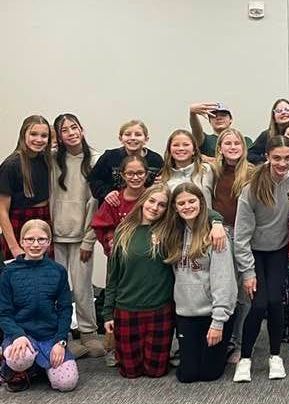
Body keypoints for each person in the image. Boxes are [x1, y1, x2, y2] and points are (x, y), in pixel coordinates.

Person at [233, 135, 289, 382]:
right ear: (267, 156)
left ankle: (275, 356)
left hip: (279, 251)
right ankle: (245, 358)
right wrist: (248, 273)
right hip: (254, 251)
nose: (282, 163)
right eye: (277, 158)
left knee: (275, 302)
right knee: (258, 305)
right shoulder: (252, 189)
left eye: (287, 158)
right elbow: (241, 237)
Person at [161, 183, 237, 383]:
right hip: (186, 313)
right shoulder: (172, 234)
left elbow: (224, 281)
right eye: (181, 203)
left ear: (202, 204)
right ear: (175, 208)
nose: (187, 206)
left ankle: (226, 345)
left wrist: (218, 322)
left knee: (209, 375)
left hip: (213, 313)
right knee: (187, 375)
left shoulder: (216, 236)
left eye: (192, 201)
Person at [102, 185, 175, 379]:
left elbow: (201, 211)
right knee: (130, 372)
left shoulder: (169, 231)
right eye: (151, 201)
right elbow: (113, 276)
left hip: (159, 310)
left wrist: (217, 222)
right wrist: (108, 312)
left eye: (162, 205)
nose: (155, 207)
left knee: (156, 372)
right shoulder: (123, 231)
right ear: (142, 201)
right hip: (127, 309)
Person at [0, 219, 79, 392]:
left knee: (67, 383)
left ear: (49, 242)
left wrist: (61, 341)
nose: (35, 244)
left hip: (50, 336)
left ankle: (40, 367)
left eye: (41, 239)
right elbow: (3, 313)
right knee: (20, 359)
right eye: (30, 239)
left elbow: (65, 309)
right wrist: (17, 335)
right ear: (21, 241)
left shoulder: (58, 271)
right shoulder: (8, 273)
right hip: (22, 336)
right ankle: (21, 367)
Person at [49, 113, 104, 359]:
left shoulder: (95, 160)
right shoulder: (51, 160)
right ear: (58, 136)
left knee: (83, 288)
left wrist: (89, 239)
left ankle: (89, 334)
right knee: (58, 289)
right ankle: (64, 336)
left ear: (81, 128)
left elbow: (96, 205)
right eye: (64, 130)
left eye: (74, 127)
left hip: (82, 238)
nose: (70, 133)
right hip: (55, 237)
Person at [210, 128, 254, 362]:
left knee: (243, 292)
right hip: (219, 234)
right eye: (228, 143)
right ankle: (220, 339)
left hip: (244, 235)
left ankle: (238, 342)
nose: (233, 146)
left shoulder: (252, 173)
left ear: (243, 147)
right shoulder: (212, 171)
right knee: (221, 289)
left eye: (237, 143)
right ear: (220, 147)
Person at [1, 115, 54, 260]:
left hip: (43, 219)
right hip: (19, 222)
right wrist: (14, 247)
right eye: (33, 134)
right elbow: (2, 211)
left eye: (44, 135)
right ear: (23, 134)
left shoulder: (45, 159)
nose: (39, 139)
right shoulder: (11, 165)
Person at [87, 119, 163, 203]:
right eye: (127, 134)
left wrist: (162, 181)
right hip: (113, 207)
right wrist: (106, 192)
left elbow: (162, 184)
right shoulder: (110, 156)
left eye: (138, 135)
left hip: (144, 207)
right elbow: (93, 179)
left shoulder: (156, 160)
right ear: (120, 138)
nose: (133, 138)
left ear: (146, 139)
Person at [155, 129, 214, 202]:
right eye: (176, 145)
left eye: (186, 145)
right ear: (169, 150)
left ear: (194, 150)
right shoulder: (164, 179)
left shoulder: (207, 170)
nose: (181, 148)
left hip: (207, 213)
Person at [188, 102, 253, 159]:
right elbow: (196, 130)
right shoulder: (205, 139)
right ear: (209, 121)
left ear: (231, 119)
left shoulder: (245, 140)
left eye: (223, 115)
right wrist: (193, 114)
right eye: (213, 116)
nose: (219, 118)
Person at [247, 98, 289, 164]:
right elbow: (250, 155)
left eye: (287, 110)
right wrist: (269, 160)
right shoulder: (266, 135)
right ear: (274, 117)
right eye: (279, 111)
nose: (283, 112)